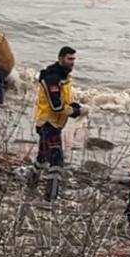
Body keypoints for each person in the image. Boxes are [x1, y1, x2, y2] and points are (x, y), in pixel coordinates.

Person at [26, 46, 88, 203]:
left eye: (74, 59)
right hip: (48, 124)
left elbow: (65, 102)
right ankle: (49, 199)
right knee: (57, 162)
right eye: (69, 59)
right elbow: (56, 106)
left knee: (42, 157)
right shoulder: (52, 78)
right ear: (60, 59)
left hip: (54, 124)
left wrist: (77, 107)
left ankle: (30, 184)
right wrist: (76, 112)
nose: (72, 62)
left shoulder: (64, 78)